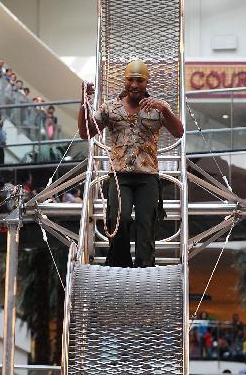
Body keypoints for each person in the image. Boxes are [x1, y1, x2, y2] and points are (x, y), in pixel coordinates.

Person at [78, 58, 184, 267]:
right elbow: (85, 133)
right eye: (131, 80)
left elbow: (178, 131)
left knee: (147, 224)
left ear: (146, 83)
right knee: (120, 219)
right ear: (124, 82)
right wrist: (83, 103)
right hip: (119, 177)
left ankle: (145, 268)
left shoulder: (157, 108)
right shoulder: (111, 108)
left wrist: (165, 109)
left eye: (140, 81)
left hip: (148, 177)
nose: (135, 85)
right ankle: (119, 265)